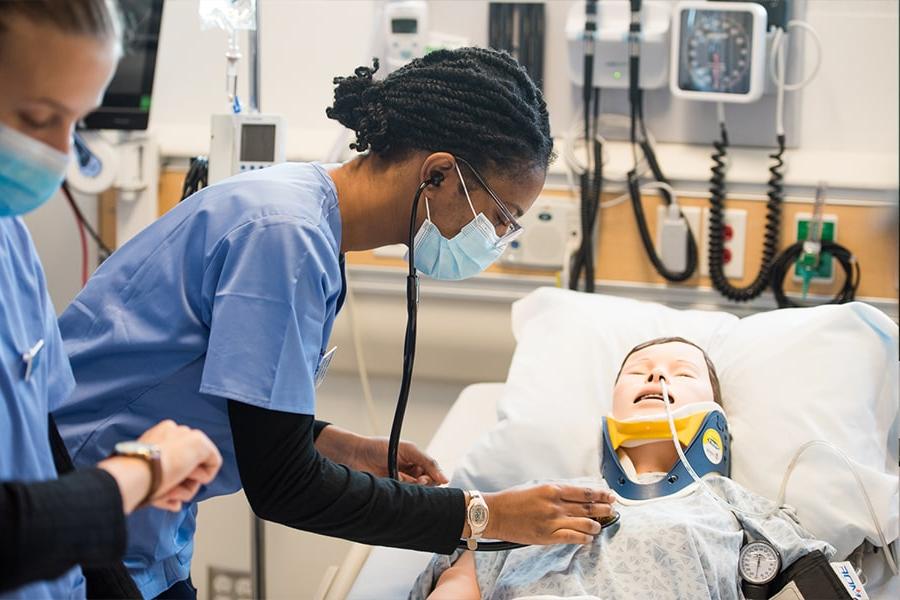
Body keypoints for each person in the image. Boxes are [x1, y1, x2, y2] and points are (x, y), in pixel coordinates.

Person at [51, 46, 617, 599]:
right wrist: (485, 514)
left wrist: (339, 445)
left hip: (146, 533)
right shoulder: (283, 237)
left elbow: (239, 402)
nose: (497, 240)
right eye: (500, 217)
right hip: (77, 520)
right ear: (439, 173)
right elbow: (284, 487)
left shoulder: (306, 219)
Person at [0, 1, 223, 598]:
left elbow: (41, 438)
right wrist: (139, 471)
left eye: (76, 124)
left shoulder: (9, 238)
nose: (60, 154)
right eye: (38, 117)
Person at [412, 337, 842, 600]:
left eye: (681, 373)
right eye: (638, 371)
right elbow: (462, 578)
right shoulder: (537, 498)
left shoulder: (739, 510)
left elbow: (815, 583)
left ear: (717, 416)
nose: (655, 377)